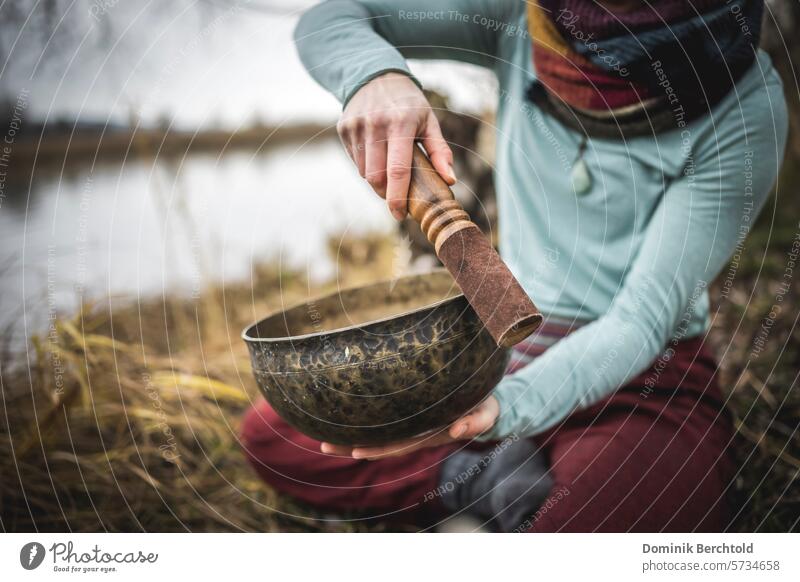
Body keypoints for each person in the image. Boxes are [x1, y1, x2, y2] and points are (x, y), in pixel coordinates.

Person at [241, 0, 787, 532]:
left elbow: (640, 322)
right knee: (274, 437)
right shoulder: (518, 17)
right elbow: (330, 18)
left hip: (641, 382)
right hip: (503, 350)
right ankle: (493, 483)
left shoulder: (750, 107)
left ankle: (526, 491)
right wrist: (373, 77)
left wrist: (501, 412)